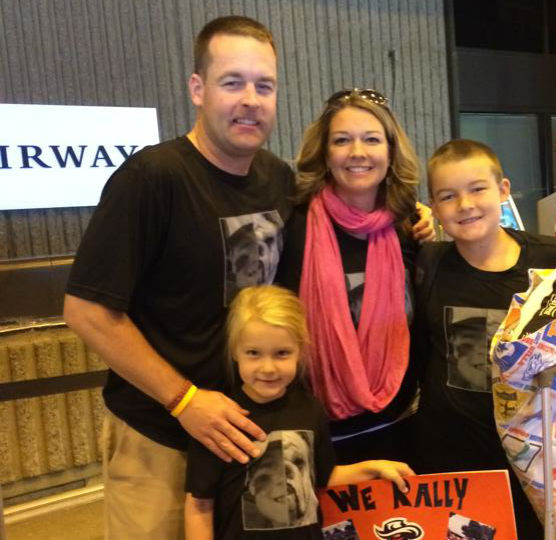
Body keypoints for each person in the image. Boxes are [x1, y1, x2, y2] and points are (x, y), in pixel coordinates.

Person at [63, 16, 293, 539]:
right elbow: (86, 310)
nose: (250, 99)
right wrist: (185, 400)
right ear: (198, 89)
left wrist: (409, 216)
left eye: (264, 85)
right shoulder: (151, 178)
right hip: (160, 437)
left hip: (246, 437)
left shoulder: (278, 179)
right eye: (232, 82)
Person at [412, 139, 556, 540]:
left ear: (504, 190)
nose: (465, 204)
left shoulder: (554, 259)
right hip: (452, 456)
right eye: (448, 196)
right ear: (435, 206)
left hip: (539, 458)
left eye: (478, 189)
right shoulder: (428, 264)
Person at [184, 285, 414, 540]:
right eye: (253, 353)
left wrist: (374, 468)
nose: (268, 368)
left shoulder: (310, 409)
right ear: (236, 352)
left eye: (282, 353)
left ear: (300, 351)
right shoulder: (219, 418)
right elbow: (199, 505)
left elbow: (325, 476)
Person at [275, 88, 422, 465]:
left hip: (400, 428)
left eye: (371, 139)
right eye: (342, 140)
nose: (357, 152)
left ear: (390, 152)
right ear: (325, 154)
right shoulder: (294, 222)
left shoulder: (411, 227)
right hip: (316, 438)